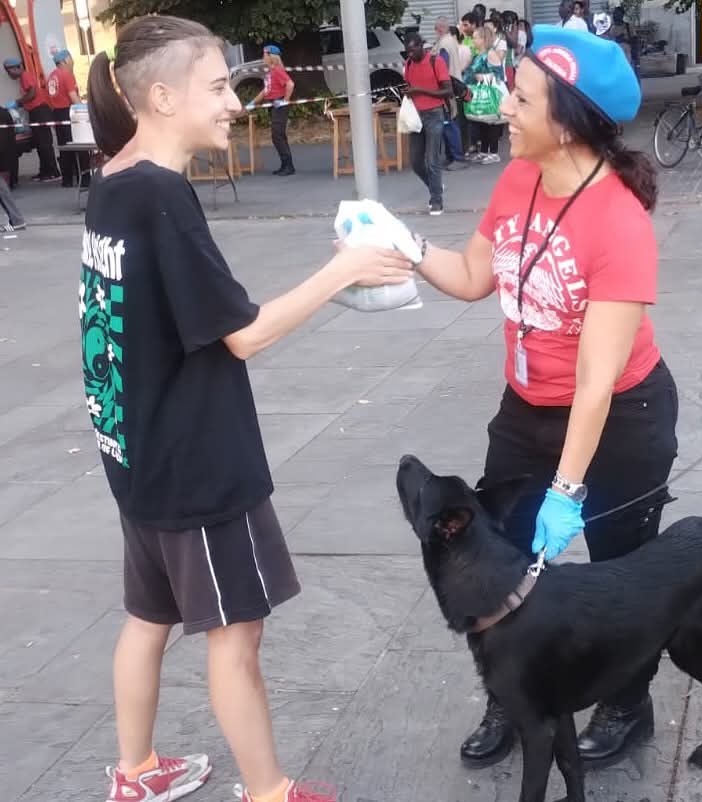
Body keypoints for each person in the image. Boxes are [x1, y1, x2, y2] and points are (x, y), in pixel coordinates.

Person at [83, 15, 413, 802]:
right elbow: (242, 335)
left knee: (147, 618)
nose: (236, 100)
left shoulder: (111, 184)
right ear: (161, 97)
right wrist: (348, 273)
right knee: (237, 637)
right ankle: (269, 792)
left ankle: (135, 773)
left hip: (135, 454)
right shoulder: (162, 197)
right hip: (198, 468)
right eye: (217, 84)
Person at [411, 24, 678, 770]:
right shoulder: (517, 179)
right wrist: (397, 247)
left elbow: (597, 380)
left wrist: (569, 489)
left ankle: (629, 702)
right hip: (526, 407)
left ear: (563, 122)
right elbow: (471, 277)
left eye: (521, 97)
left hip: (622, 415)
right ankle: (513, 692)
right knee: (501, 560)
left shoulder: (619, 221)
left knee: (624, 570)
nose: (502, 104)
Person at [404, 32, 452, 215]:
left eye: (413, 50)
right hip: (416, 116)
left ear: (421, 46)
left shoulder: (436, 62)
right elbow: (409, 84)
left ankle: (436, 199)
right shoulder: (408, 64)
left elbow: (447, 91)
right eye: (407, 51)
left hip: (434, 114)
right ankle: (435, 185)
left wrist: (420, 90)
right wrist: (409, 92)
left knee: (433, 160)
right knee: (416, 162)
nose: (410, 54)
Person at [3, 56, 60, 181]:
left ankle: (53, 172)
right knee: (39, 143)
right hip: (35, 112)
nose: (9, 74)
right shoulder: (23, 78)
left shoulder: (25, 76)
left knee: (44, 143)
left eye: (9, 71)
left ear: (17, 68)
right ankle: (44, 171)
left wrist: (17, 103)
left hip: (40, 111)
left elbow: (32, 94)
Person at [246, 45, 295, 176]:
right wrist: (252, 103)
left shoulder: (278, 70)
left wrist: (285, 100)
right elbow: (265, 91)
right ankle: (286, 165)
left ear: (271, 57)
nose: (263, 57)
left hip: (279, 104)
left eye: (264, 55)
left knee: (277, 135)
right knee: (278, 136)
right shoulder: (271, 72)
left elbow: (290, 84)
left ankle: (288, 166)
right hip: (273, 104)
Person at [462, 25, 506, 165]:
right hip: (478, 92)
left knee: (491, 121)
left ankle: (493, 152)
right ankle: (483, 151)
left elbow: (499, 75)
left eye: (475, 38)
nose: (473, 40)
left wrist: (484, 77)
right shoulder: (477, 55)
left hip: (490, 92)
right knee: (481, 121)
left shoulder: (491, 54)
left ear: (483, 39)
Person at [433, 16, 468, 170]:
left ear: (439, 29)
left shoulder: (444, 44)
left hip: (447, 89)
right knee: (450, 122)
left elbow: (442, 67)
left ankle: (457, 158)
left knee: (450, 124)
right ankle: (451, 156)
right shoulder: (450, 41)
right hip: (451, 87)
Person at [47, 49, 85, 188]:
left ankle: (67, 180)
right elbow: (73, 96)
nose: (72, 62)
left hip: (57, 113)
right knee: (79, 145)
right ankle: (85, 178)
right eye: (70, 59)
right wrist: (84, 110)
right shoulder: (66, 74)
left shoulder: (51, 76)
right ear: (64, 61)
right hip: (68, 112)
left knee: (64, 148)